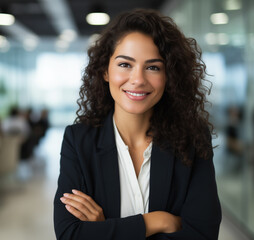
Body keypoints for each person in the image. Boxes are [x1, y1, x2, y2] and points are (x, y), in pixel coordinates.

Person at [54, 9, 221, 240]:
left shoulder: (193, 138)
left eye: (153, 67)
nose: (138, 80)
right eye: (125, 64)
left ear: (168, 76)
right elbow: (70, 234)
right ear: (105, 70)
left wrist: (107, 229)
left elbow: (203, 234)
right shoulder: (78, 141)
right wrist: (156, 221)